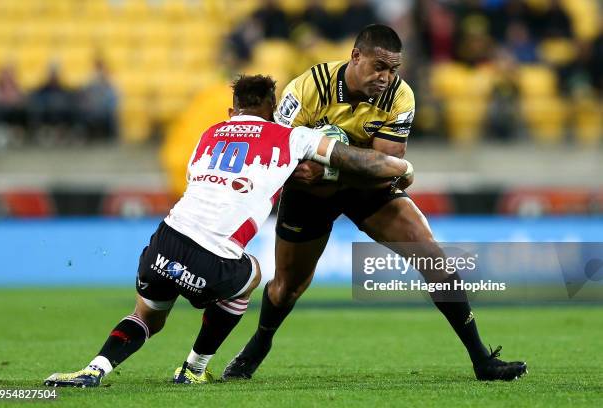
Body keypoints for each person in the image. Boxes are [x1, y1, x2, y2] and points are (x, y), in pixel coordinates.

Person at [43, 74, 413, 388]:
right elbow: (362, 161)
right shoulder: (289, 136)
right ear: (274, 111)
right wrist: (401, 167)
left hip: (164, 242)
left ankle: (96, 368)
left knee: (146, 316)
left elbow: (196, 178)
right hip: (213, 258)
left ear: (232, 111)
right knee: (253, 272)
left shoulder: (209, 133)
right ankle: (194, 368)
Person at [223, 25, 527, 382]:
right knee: (288, 285)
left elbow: (385, 170)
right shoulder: (306, 88)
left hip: (360, 189)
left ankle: (481, 360)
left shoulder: (401, 97)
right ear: (355, 57)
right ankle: (259, 343)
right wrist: (355, 162)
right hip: (309, 196)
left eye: (393, 69)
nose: (386, 77)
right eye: (379, 66)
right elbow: (285, 162)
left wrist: (330, 167)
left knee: (433, 257)